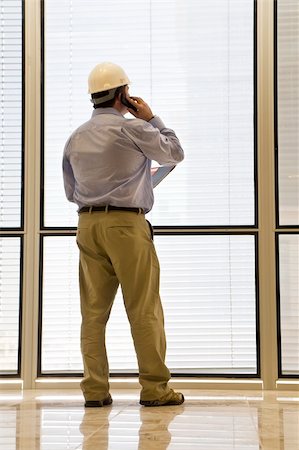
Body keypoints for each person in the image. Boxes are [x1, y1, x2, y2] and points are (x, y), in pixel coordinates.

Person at [62, 62, 185, 407]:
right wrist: (150, 118)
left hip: (87, 226)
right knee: (143, 308)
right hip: (126, 227)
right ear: (123, 95)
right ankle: (155, 390)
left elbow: (72, 190)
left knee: (93, 313)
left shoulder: (77, 136)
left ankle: (95, 391)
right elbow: (175, 152)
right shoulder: (134, 129)